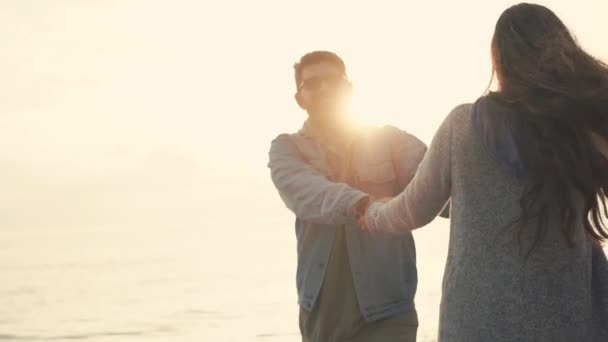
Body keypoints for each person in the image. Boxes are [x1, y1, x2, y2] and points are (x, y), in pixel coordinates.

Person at [360, 3, 608, 341]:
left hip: (477, 325)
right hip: (566, 321)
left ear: (499, 59)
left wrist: (372, 212)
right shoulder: (582, 126)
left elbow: (411, 210)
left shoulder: (462, 127)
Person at [268, 50, 447, 341]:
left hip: (389, 308)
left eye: (332, 80)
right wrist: (363, 205)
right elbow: (308, 191)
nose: (324, 88)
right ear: (299, 99)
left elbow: (438, 185)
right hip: (322, 312)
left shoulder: (391, 141)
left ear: (348, 89)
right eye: (312, 84)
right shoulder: (286, 150)